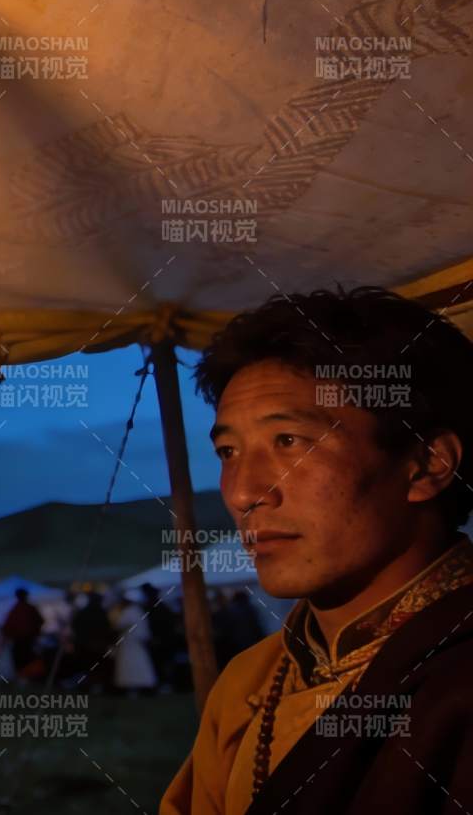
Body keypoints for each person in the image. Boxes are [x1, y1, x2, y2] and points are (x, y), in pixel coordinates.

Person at [163, 288, 473, 814]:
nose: (243, 493)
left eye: (288, 441)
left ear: (426, 464)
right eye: (228, 451)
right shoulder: (247, 683)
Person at [109, 591, 157, 694]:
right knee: (136, 663)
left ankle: (135, 685)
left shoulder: (129, 611)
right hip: (135, 642)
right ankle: (138, 686)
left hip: (131, 643)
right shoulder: (137, 610)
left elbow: (119, 624)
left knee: (131, 664)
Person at [70, 590, 115, 690]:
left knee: (92, 666)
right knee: (92, 666)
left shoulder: (91, 612)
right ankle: (90, 684)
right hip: (91, 645)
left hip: (91, 645)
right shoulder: (97, 613)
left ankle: (91, 684)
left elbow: (76, 626)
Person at [141, 582, 181, 690]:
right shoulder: (157, 606)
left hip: (162, 640)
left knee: (162, 664)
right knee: (161, 664)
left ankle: (166, 683)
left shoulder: (155, 606)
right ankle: (164, 683)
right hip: (162, 640)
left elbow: (163, 624)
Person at [0, 588, 45, 681]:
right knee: (25, 658)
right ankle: (25, 676)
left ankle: (27, 676)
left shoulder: (19, 609)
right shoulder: (22, 609)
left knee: (24, 659)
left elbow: (7, 626)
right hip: (24, 640)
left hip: (25, 640)